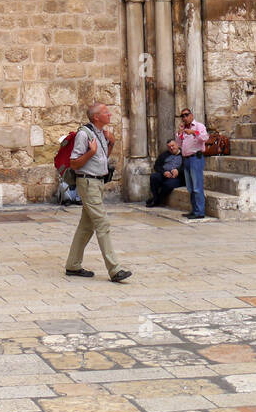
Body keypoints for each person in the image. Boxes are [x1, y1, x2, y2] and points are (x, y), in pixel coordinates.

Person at [63, 102, 131, 283]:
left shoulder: (101, 134)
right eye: (105, 112)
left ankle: (73, 265)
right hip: (88, 183)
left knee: (86, 226)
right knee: (102, 223)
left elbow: (101, 160)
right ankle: (115, 269)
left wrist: (111, 144)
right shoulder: (83, 134)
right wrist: (90, 152)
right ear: (96, 117)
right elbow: (74, 163)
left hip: (98, 183)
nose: (109, 114)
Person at [177, 107, 210, 220]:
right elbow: (179, 144)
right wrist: (179, 133)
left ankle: (200, 211)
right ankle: (194, 210)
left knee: (197, 186)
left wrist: (193, 132)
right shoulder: (184, 129)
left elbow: (205, 137)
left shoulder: (199, 126)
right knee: (190, 188)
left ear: (191, 115)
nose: (184, 118)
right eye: (182, 116)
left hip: (196, 158)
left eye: (186, 115)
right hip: (186, 159)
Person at [146, 139, 184, 208]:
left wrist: (178, 170)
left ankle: (157, 200)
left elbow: (186, 167)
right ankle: (155, 197)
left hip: (177, 177)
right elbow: (157, 166)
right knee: (154, 177)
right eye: (169, 147)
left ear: (177, 145)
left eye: (173, 146)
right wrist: (164, 172)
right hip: (165, 174)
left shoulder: (184, 155)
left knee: (168, 184)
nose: (171, 148)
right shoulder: (164, 155)